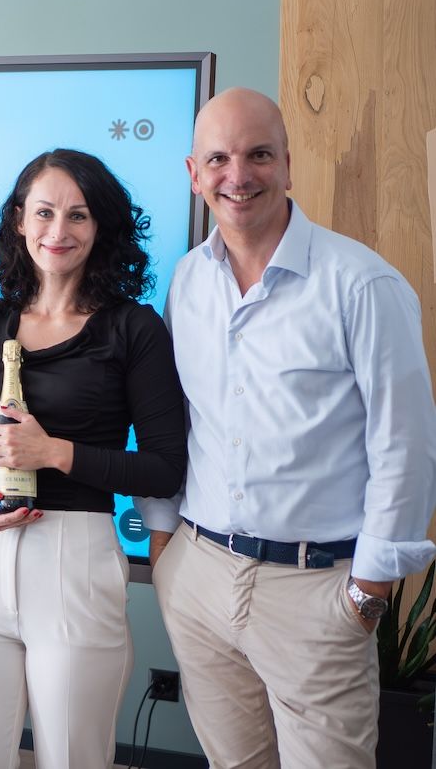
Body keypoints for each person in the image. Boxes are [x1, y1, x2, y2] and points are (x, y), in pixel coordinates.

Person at [137, 87, 436, 767]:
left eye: (258, 155)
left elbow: (407, 444)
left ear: (288, 165)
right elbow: (170, 421)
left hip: (317, 592)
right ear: (193, 173)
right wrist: (164, 555)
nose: (237, 176)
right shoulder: (186, 281)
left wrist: (367, 593)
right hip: (200, 575)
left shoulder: (361, 283)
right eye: (218, 159)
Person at [0, 149, 187, 768]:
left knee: (73, 759)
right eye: (44, 213)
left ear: (101, 227)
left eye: (78, 216)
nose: (58, 231)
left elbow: (163, 469)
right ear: (19, 220)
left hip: (75, 560)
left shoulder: (134, 329)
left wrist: (55, 452)